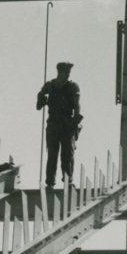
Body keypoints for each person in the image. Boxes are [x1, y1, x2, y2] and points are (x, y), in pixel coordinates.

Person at [36, 61, 82, 189]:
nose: (68, 74)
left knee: (67, 155)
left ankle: (68, 181)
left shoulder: (73, 87)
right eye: (66, 72)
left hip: (67, 125)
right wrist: (42, 98)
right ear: (60, 72)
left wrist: (75, 124)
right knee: (52, 155)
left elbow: (77, 106)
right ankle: (50, 182)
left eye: (69, 72)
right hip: (53, 125)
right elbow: (39, 103)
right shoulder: (50, 86)